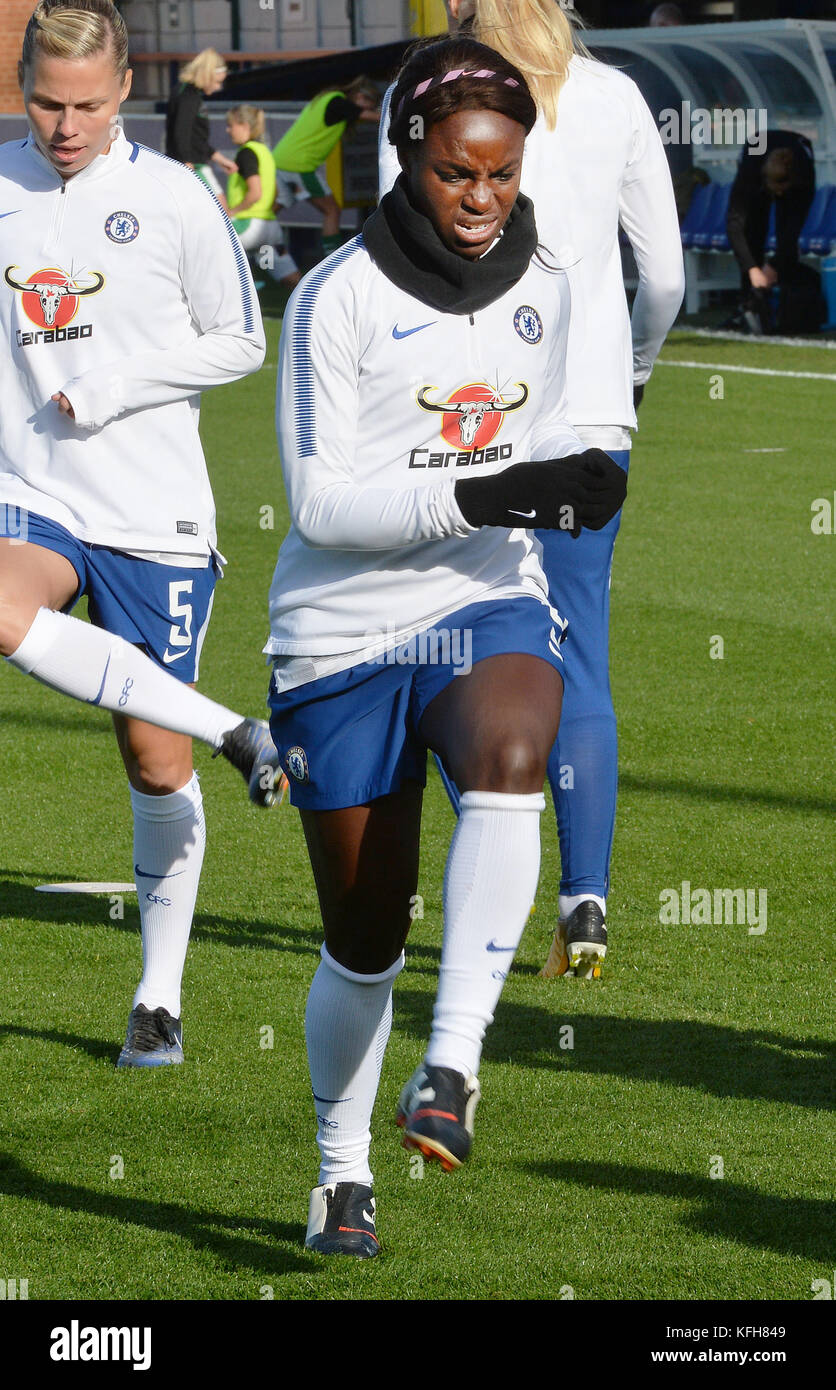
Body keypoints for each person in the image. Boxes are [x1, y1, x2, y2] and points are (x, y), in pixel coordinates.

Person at [266, 35, 628, 1257]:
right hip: (337, 634)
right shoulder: (335, 294)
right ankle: (337, 1172)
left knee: (514, 752)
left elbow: (571, 428)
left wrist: (578, 477)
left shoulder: (552, 275)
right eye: (457, 173)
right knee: (364, 940)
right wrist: (480, 493)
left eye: (503, 175)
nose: (482, 200)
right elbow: (319, 506)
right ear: (407, 153)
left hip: (485, 600)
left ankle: (454, 1064)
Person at [0, 0, 284, 1071]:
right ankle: (236, 729)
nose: (64, 126)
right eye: (43, 102)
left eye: (84, 105)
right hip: (34, 490)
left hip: (155, 512)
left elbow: (239, 340)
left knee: (152, 758)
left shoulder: (173, 200)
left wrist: (114, 384)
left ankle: (158, 995)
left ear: (123, 91)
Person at [379, 0, 684, 980]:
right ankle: (582, 900)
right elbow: (667, 277)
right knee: (580, 658)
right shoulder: (617, 97)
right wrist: (626, 375)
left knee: (449, 657)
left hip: (463, 419)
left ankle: (493, 875)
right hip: (590, 425)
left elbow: (400, 258)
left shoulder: (424, 95)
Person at [272, 77, 381, 261]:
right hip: (300, 166)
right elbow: (371, 116)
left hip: (281, 161)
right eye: (369, 105)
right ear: (361, 96)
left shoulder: (327, 99)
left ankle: (249, 246)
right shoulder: (338, 102)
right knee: (332, 211)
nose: (367, 110)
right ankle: (333, 261)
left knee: (268, 212)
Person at [725, 130, 816, 336]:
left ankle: (787, 310)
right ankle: (750, 302)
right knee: (753, 229)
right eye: (776, 189)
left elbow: (793, 229)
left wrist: (773, 265)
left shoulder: (803, 176)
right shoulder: (750, 171)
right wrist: (753, 269)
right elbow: (734, 224)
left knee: (787, 231)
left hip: (798, 167)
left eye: (784, 190)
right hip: (758, 160)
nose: (780, 194)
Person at [220, 105, 300, 290]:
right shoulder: (265, 152)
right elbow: (276, 193)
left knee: (212, 251)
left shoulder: (246, 153)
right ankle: (314, 301)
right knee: (289, 277)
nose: (228, 130)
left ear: (245, 126)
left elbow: (255, 192)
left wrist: (232, 212)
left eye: (231, 125)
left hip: (248, 227)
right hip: (270, 228)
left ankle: (246, 286)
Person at [165, 47, 236, 195]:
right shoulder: (188, 96)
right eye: (217, 82)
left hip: (188, 162)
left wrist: (220, 159)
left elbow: (196, 138)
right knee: (221, 210)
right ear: (207, 75)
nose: (218, 87)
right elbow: (181, 131)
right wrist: (186, 163)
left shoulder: (186, 92)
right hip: (192, 164)